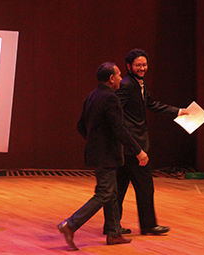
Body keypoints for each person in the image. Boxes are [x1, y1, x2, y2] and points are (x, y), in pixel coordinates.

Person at [58, 62, 149, 250]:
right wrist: (138, 151)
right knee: (105, 193)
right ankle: (71, 224)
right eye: (118, 75)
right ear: (111, 79)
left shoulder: (91, 96)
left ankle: (113, 233)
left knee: (112, 193)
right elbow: (119, 129)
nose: (120, 78)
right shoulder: (110, 98)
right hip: (107, 155)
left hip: (97, 152)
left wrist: (94, 141)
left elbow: (80, 126)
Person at [115, 48, 189, 235]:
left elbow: (151, 104)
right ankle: (148, 226)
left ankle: (113, 225)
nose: (142, 68)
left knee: (120, 187)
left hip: (127, 145)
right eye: (138, 65)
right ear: (129, 66)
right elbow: (114, 109)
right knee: (145, 186)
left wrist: (178, 111)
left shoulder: (139, 83)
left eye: (144, 64)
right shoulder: (126, 85)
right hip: (133, 145)